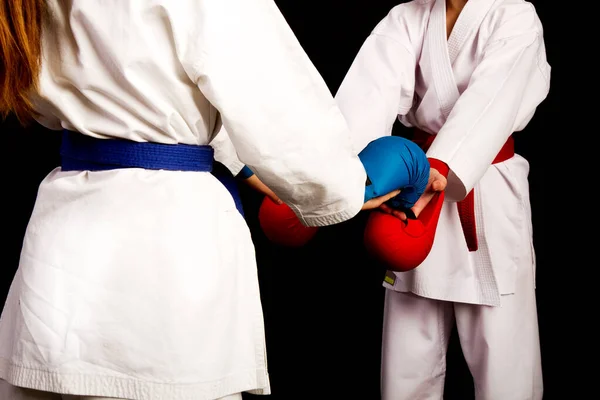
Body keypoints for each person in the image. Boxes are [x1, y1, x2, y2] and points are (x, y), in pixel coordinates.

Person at [0, 1, 402, 399]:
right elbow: (284, 120)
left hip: (57, 260)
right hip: (167, 264)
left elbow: (136, 84)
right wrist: (353, 185)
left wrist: (241, 162)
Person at [333, 0, 551, 398]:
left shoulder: (514, 14)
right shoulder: (407, 17)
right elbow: (366, 97)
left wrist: (440, 167)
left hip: (482, 191)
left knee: (503, 356)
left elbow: (492, 100)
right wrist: (345, 177)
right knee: (406, 356)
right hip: (411, 188)